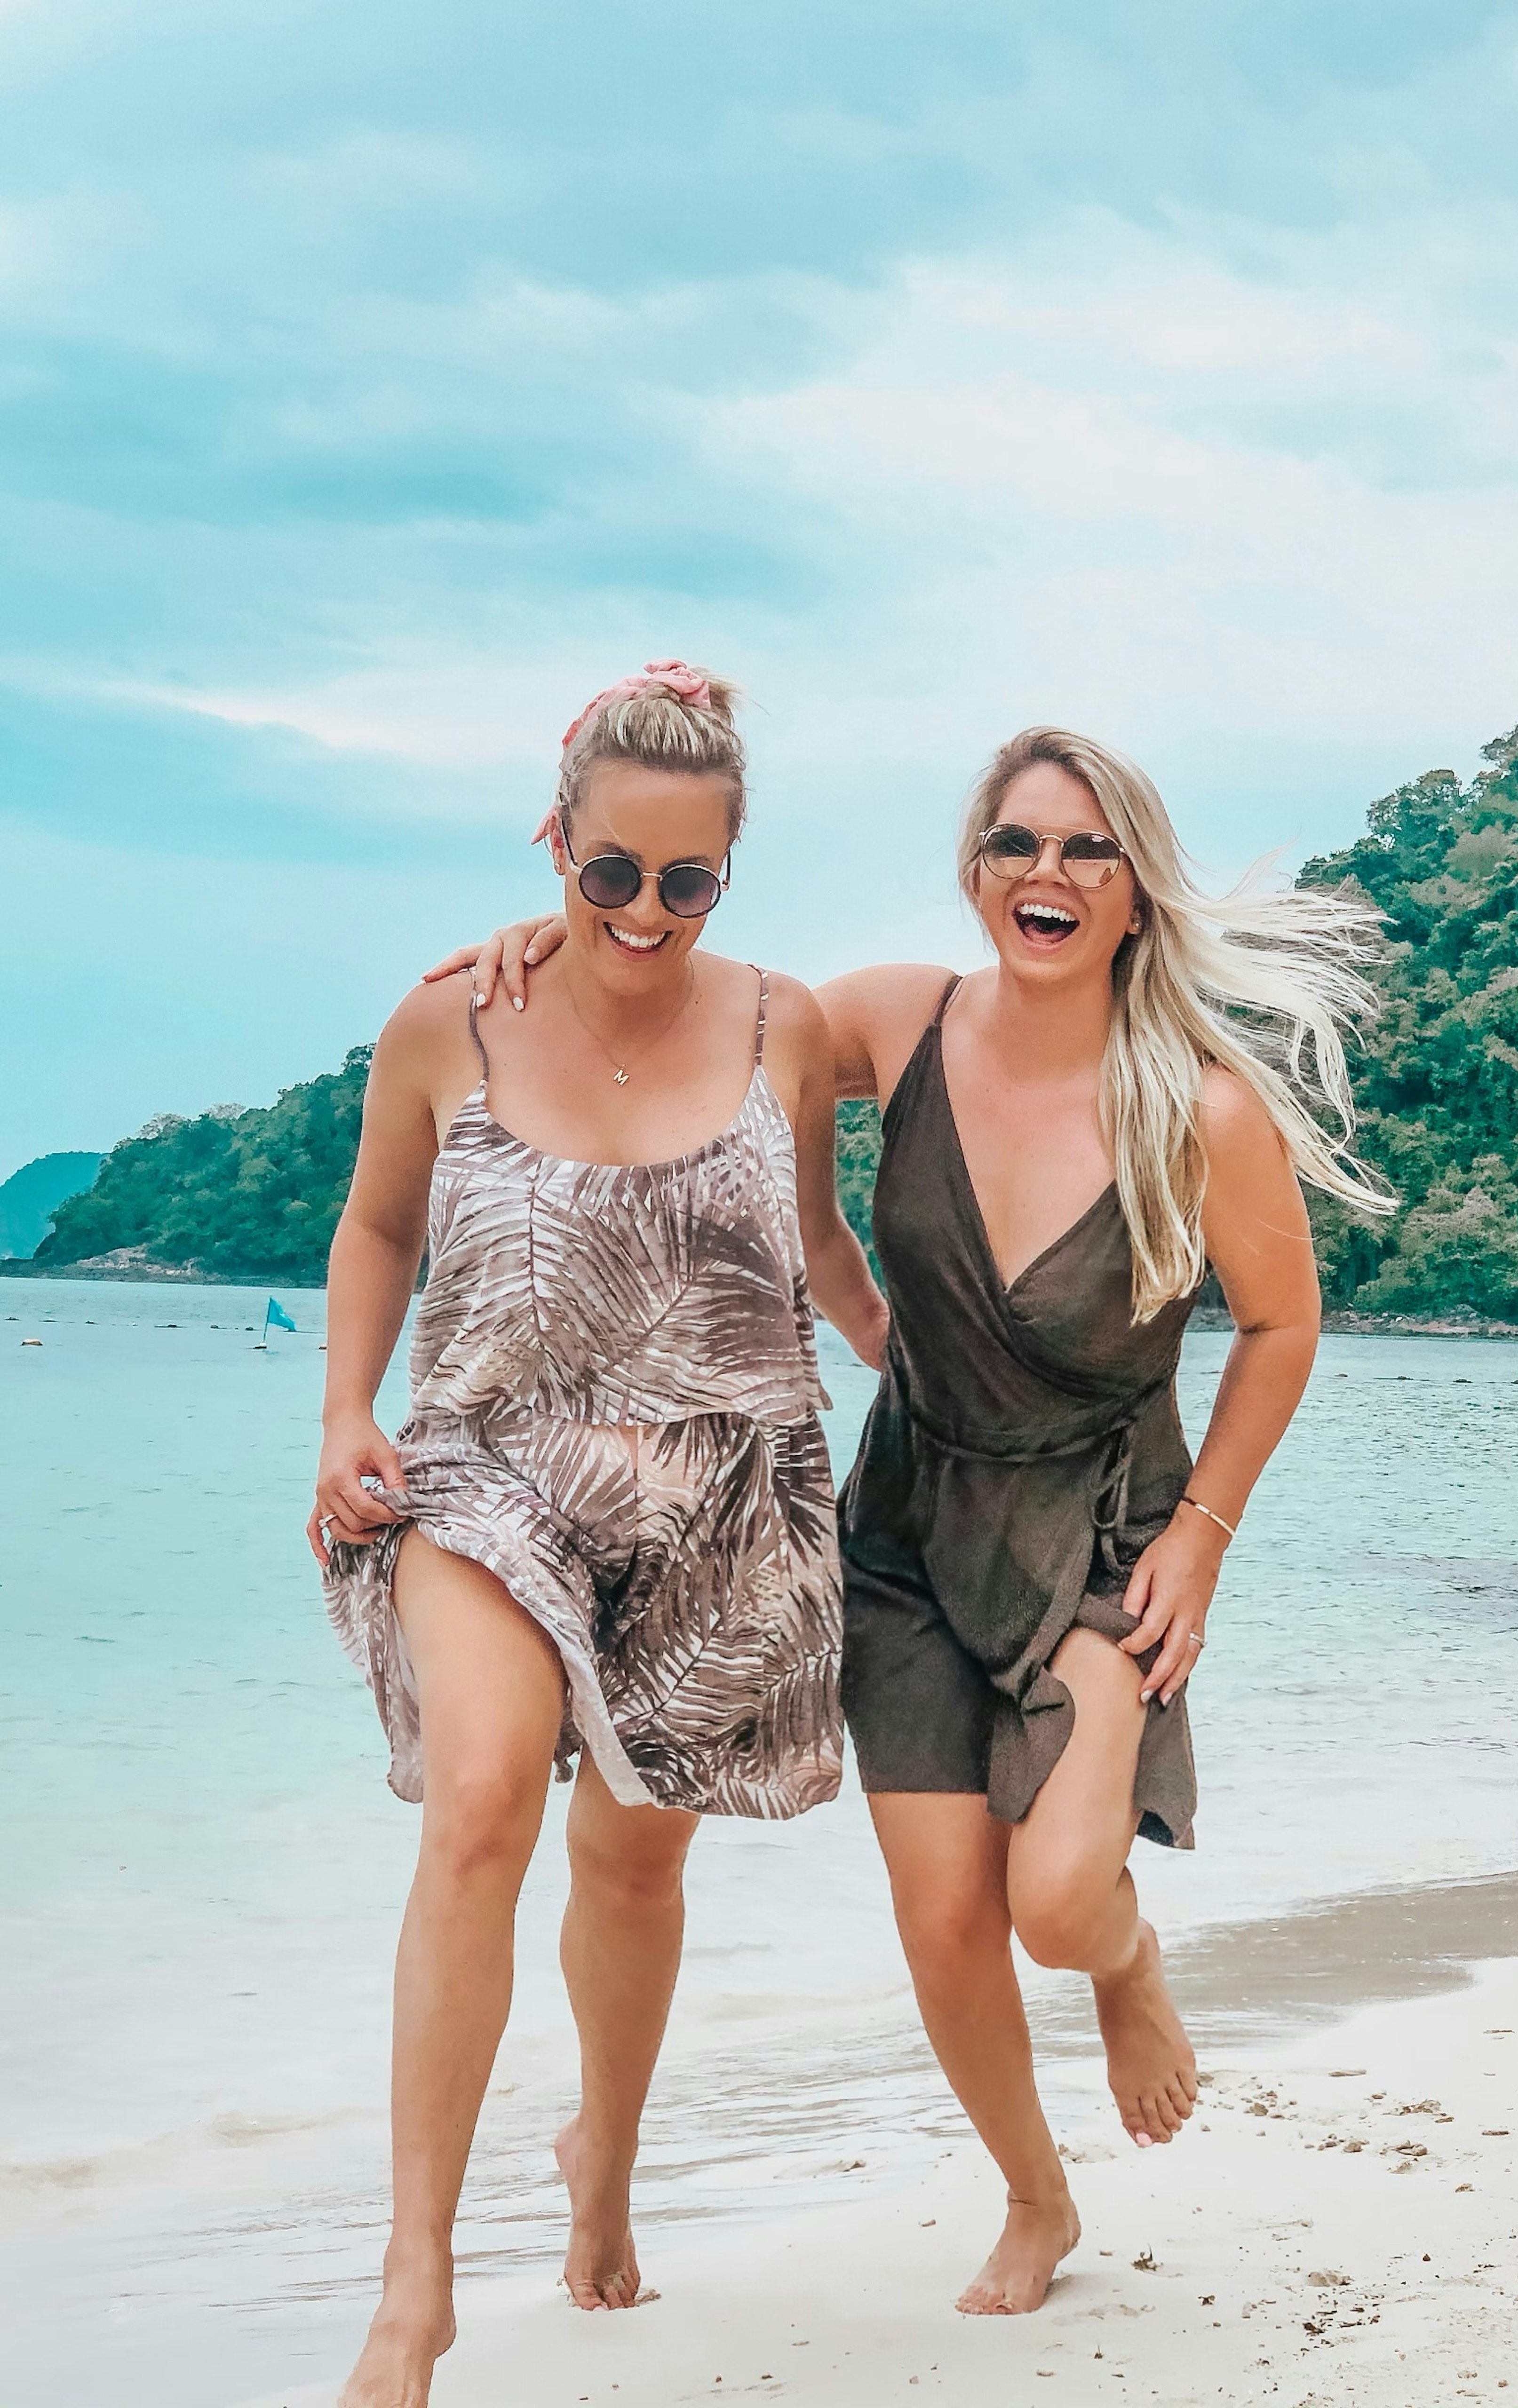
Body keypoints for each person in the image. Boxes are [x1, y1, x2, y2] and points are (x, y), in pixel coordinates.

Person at [444, 720, 1384, 2318]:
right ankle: (1038, 2197)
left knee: (1058, 1904)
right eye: (1017, 841)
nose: (1046, 872)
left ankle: (1130, 1967)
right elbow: (693, 1014)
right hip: (902, 1531)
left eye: (1085, 849)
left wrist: (1204, 1534)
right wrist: (569, 926)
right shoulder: (899, 1021)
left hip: (1100, 1531)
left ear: (1134, 892)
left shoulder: (1202, 1111)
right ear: (974, 868)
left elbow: (1284, 1327)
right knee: (945, 1918)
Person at [315, 662, 887, 2408]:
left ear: (731, 869)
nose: (645, 912)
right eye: (610, 871)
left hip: (720, 1502)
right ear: (552, 842)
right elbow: (378, 1230)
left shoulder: (790, 1028)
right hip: (488, 1469)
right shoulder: (451, 1022)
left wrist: (953, 1380)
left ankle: (605, 2162)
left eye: (686, 879)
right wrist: (346, 1412)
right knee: (485, 1800)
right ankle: (415, 2280)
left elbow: (832, 1240)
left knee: (636, 1867)